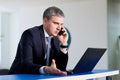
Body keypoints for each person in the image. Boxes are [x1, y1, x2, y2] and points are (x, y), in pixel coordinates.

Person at [9, 6, 69, 76]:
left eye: (61, 24)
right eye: (56, 23)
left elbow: (61, 68)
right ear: (45, 21)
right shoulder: (30, 34)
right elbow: (26, 64)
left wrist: (64, 43)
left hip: (40, 76)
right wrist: (46, 69)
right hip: (20, 76)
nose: (59, 28)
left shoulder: (57, 38)